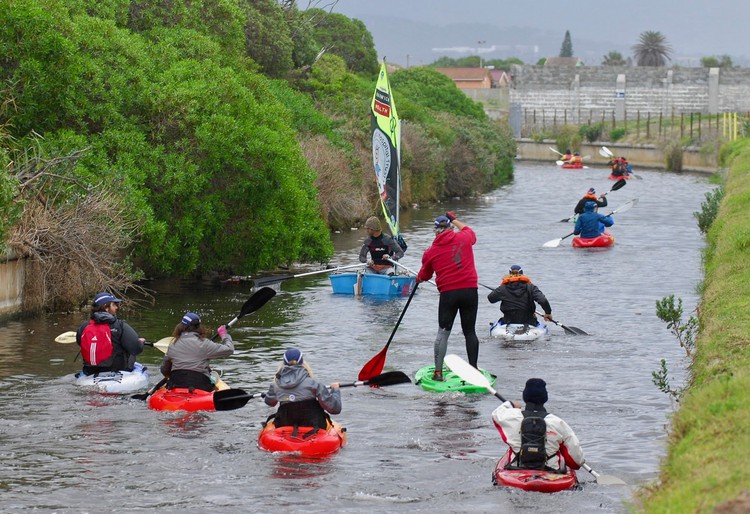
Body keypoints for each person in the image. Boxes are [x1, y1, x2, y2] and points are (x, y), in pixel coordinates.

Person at [416, 212, 480, 381]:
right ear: (450, 227)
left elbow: (425, 275)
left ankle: (438, 373)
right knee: (470, 331)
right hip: (470, 291)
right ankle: (474, 370)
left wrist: (418, 278)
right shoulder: (465, 237)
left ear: (436, 231)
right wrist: (455, 219)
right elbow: (469, 230)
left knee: (443, 333)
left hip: (448, 295)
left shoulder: (431, 252)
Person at [491, 378, 585, 471]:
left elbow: (496, 413)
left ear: (525, 397)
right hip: (551, 472)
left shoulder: (511, 417)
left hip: (517, 470)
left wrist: (511, 404)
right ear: (545, 398)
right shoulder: (558, 423)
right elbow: (576, 461)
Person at [264, 348, 341, 429]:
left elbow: (270, 403)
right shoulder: (314, 383)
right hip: (313, 426)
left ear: (283, 363)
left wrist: (281, 394)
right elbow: (334, 409)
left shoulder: (276, 385)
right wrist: (335, 390)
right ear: (302, 362)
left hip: (285, 425)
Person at [159, 312, 233, 391]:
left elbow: (164, 370)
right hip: (201, 386)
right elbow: (229, 349)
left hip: (176, 384)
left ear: (180, 326)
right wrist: (224, 335)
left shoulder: (172, 345)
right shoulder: (205, 344)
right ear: (199, 327)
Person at [75, 292, 145, 375]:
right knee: (130, 353)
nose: (116, 307)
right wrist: (141, 342)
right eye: (114, 304)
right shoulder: (120, 326)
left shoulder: (84, 327)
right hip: (118, 370)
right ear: (106, 307)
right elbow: (135, 349)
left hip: (90, 371)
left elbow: (81, 343)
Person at [487, 265, 553, 327]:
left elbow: (491, 299)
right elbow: (542, 300)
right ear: (522, 274)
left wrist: (498, 291)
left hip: (508, 321)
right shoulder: (531, 287)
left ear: (509, 274)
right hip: (529, 321)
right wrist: (548, 313)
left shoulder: (503, 288)